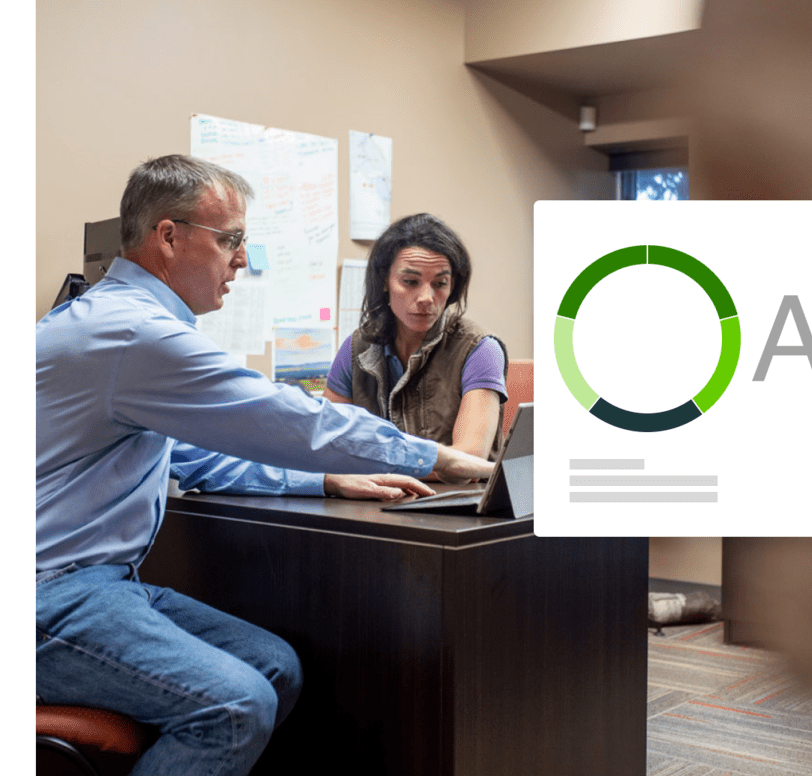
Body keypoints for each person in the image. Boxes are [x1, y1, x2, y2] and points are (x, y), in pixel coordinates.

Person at [35, 155, 494, 776]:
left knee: (276, 664)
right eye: (230, 240)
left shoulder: (120, 325)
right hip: (52, 596)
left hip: (99, 583)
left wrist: (324, 478)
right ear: (168, 237)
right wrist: (433, 456)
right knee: (234, 705)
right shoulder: (131, 332)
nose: (241, 259)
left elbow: (197, 456)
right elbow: (288, 417)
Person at [323, 213, 508, 467]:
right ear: (384, 281)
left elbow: (469, 461)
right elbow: (328, 444)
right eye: (410, 281)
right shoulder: (356, 348)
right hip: (370, 500)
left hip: (453, 502)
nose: (426, 297)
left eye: (440, 283)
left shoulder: (480, 349)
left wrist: (374, 465)